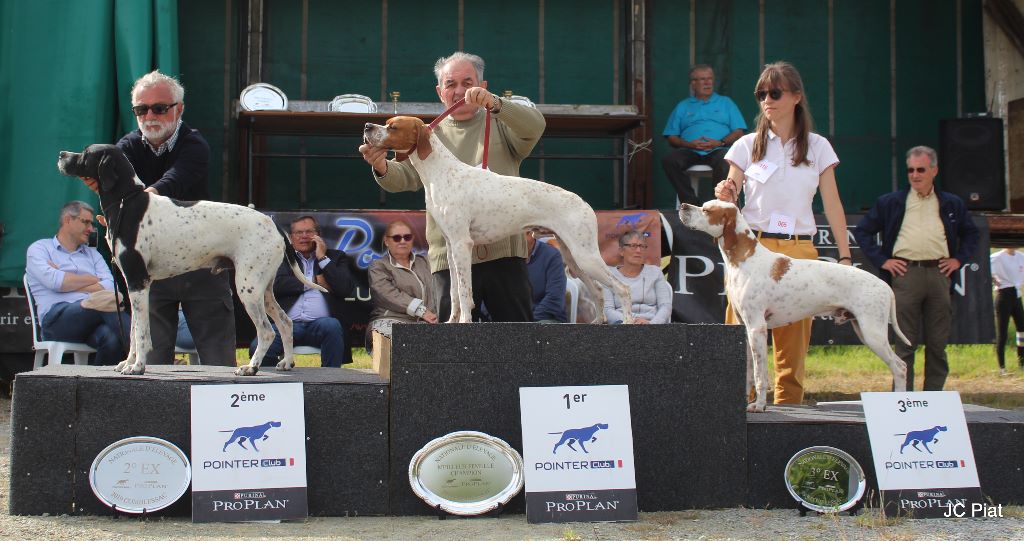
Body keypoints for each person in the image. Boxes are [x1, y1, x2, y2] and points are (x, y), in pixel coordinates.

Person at [358, 51, 545, 323]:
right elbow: (404, 179)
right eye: (450, 84)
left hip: (504, 253)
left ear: (482, 87)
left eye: (468, 83)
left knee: (518, 345)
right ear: (439, 91)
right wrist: (381, 166)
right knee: (454, 351)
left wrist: (497, 104)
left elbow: (536, 126)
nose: (459, 91)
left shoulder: (504, 123)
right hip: (449, 259)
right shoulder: (425, 133)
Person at [714, 61, 853, 405]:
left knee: (793, 341)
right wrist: (726, 191)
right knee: (741, 332)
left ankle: (788, 409)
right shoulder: (747, 144)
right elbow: (731, 190)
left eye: (775, 93)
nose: (767, 100)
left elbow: (833, 205)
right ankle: (739, 404)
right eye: (761, 94)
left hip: (798, 250)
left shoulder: (818, 146)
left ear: (796, 97)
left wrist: (846, 256)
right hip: (751, 250)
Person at [82, 70, 236, 366]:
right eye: (141, 109)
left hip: (202, 263)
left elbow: (172, 182)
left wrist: (134, 206)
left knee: (219, 363)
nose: (149, 115)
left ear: (179, 108)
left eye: (159, 107)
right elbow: (115, 195)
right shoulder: (125, 147)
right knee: (150, 365)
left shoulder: (195, 145)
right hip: (151, 267)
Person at [854, 146, 980, 391]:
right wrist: (884, 261)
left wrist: (958, 260)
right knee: (904, 342)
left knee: (937, 343)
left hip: (939, 274)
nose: (915, 175)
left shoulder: (951, 203)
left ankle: (933, 398)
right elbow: (863, 231)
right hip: (905, 276)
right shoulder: (892, 202)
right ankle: (903, 400)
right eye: (911, 170)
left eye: (921, 169)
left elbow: (972, 234)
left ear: (934, 170)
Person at [24, 201, 130, 365]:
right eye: (85, 222)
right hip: (56, 321)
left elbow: (111, 287)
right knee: (104, 302)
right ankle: (145, 355)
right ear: (67, 220)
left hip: (92, 322)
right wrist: (93, 280)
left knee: (111, 337)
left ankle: (97, 387)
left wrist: (66, 276)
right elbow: (56, 282)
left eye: (91, 224)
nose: (91, 229)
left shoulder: (93, 255)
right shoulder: (39, 249)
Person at [251, 216, 355, 367]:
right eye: (299, 232)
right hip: (286, 324)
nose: (304, 236)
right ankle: (272, 384)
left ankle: (331, 382)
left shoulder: (336, 258)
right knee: (258, 347)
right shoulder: (280, 258)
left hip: (321, 325)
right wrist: (313, 282)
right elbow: (276, 284)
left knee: (332, 326)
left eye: (309, 232)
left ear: (318, 235)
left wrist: (322, 258)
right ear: (291, 238)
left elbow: (345, 288)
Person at [662, 64, 747, 205]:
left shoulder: (726, 103)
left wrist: (720, 142)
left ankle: (718, 204)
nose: (708, 83)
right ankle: (691, 203)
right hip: (690, 150)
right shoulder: (683, 106)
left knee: (726, 160)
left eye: (710, 79)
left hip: (718, 149)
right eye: (702, 79)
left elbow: (739, 131)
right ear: (693, 84)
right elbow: (671, 136)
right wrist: (689, 144)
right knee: (670, 161)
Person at [367, 220, 438, 345]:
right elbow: (387, 294)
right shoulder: (378, 266)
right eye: (396, 238)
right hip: (391, 320)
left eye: (407, 237)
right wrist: (421, 311)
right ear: (386, 241)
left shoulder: (426, 262)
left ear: (412, 239)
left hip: (427, 323)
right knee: (391, 337)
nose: (402, 241)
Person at [602, 230, 673, 325]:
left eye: (642, 246)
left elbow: (665, 306)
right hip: (622, 325)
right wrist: (632, 321)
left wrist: (651, 323)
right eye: (633, 246)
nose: (638, 251)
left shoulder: (655, 272)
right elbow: (608, 310)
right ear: (621, 251)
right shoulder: (609, 275)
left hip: (652, 326)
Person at [990, 248, 1024, 375]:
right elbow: (984, 268)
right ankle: (1002, 368)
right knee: (1002, 333)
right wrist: (994, 279)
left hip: (1017, 295)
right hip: (1003, 294)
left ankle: (1022, 363)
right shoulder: (997, 257)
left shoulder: (1021, 256)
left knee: (1022, 329)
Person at [526, 231, 567, 323]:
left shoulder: (552, 255)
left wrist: (526, 322)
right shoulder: (507, 257)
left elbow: (555, 299)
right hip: (517, 322)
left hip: (546, 319)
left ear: (530, 233)